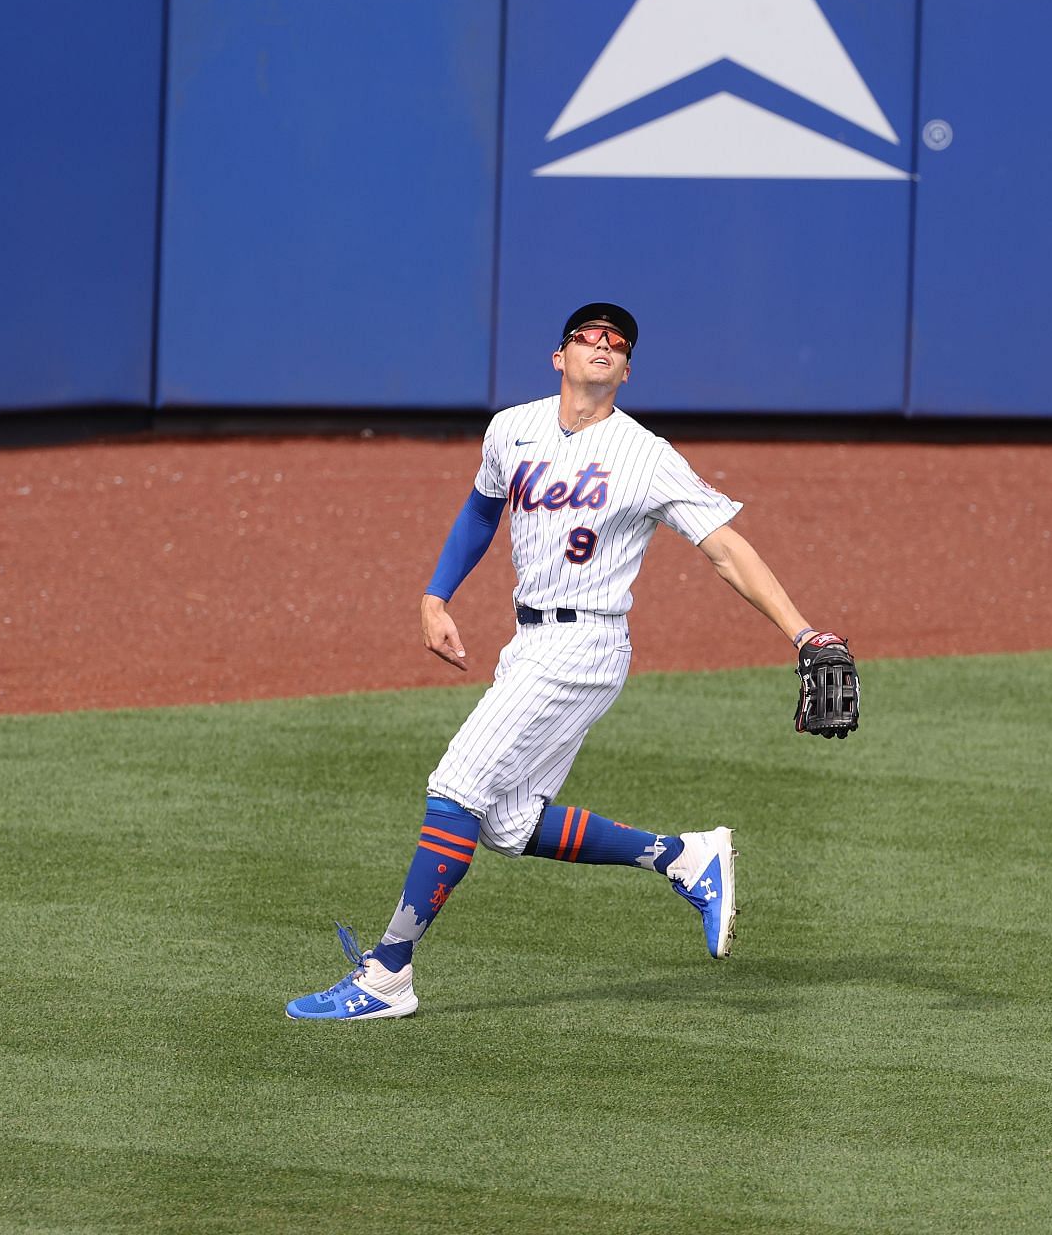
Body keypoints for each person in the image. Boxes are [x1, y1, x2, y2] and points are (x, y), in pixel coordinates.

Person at [285, 302, 830, 1020]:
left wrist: (804, 635)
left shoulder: (646, 454)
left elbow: (726, 548)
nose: (602, 344)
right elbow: (483, 510)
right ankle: (684, 857)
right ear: (560, 356)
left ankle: (387, 974)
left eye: (617, 342)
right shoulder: (512, 429)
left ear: (627, 370)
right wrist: (435, 595)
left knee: (455, 787)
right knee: (507, 824)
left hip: (584, 645)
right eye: (588, 335)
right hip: (529, 644)